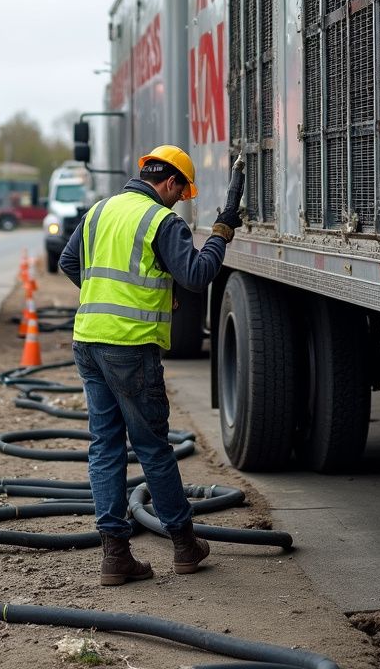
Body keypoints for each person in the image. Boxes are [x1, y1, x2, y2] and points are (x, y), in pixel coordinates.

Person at [58, 144, 242, 585]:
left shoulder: (101, 210)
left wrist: (115, 295)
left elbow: (68, 262)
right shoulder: (162, 220)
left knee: (104, 446)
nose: (179, 199)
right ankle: (183, 544)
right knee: (152, 447)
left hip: (88, 340)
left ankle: (115, 556)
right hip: (130, 346)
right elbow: (197, 275)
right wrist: (221, 232)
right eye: (180, 192)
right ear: (171, 182)